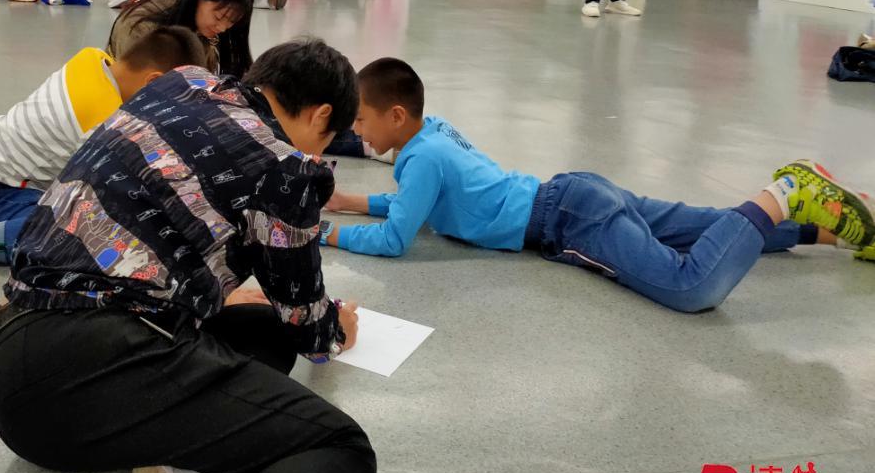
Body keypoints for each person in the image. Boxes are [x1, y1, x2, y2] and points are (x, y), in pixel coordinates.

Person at [0, 39, 375, 473]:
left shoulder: (181, 82)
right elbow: (308, 325)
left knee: (263, 328)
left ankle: (172, 458)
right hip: (96, 368)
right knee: (341, 446)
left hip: (17, 361)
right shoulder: (287, 167)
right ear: (321, 116)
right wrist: (335, 328)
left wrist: (219, 292)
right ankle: (192, 460)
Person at [320, 58, 874, 313]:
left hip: (569, 220)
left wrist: (324, 233)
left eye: (362, 121)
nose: (357, 132)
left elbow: (397, 238)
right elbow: (415, 205)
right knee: (706, 225)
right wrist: (351, 201)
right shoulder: (433, 133)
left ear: (396, 115)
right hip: (573, 193)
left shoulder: (419, 159)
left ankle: (785, 191)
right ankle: (830, 230)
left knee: (689, 287)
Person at [0, 26, 208, 285]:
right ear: (152, 82)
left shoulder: (93, 60)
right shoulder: (103, 122)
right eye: (167, 98)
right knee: (77, 240)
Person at [109, 0, 254, 77]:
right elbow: (132, 87)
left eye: (231, 23)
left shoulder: (202, 29)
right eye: (219, 17)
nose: (222, 28)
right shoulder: (140, 26)